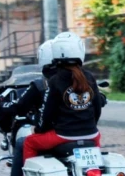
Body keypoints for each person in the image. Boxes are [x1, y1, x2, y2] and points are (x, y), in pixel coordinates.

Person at [22, 32, 102, 165]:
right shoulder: (89, 77)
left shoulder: (55, 80)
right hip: (92, 134)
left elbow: (47, 112)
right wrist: (90, 126)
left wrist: (40, 129)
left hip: (64, 135)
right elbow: (97, 108)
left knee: (29, 142)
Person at [0, 40, 57, 176]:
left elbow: (41, 114)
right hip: (89, 133)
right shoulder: (82, 79)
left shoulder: (47, 84)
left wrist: (0, 106)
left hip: (59, 134)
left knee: (24, 142)